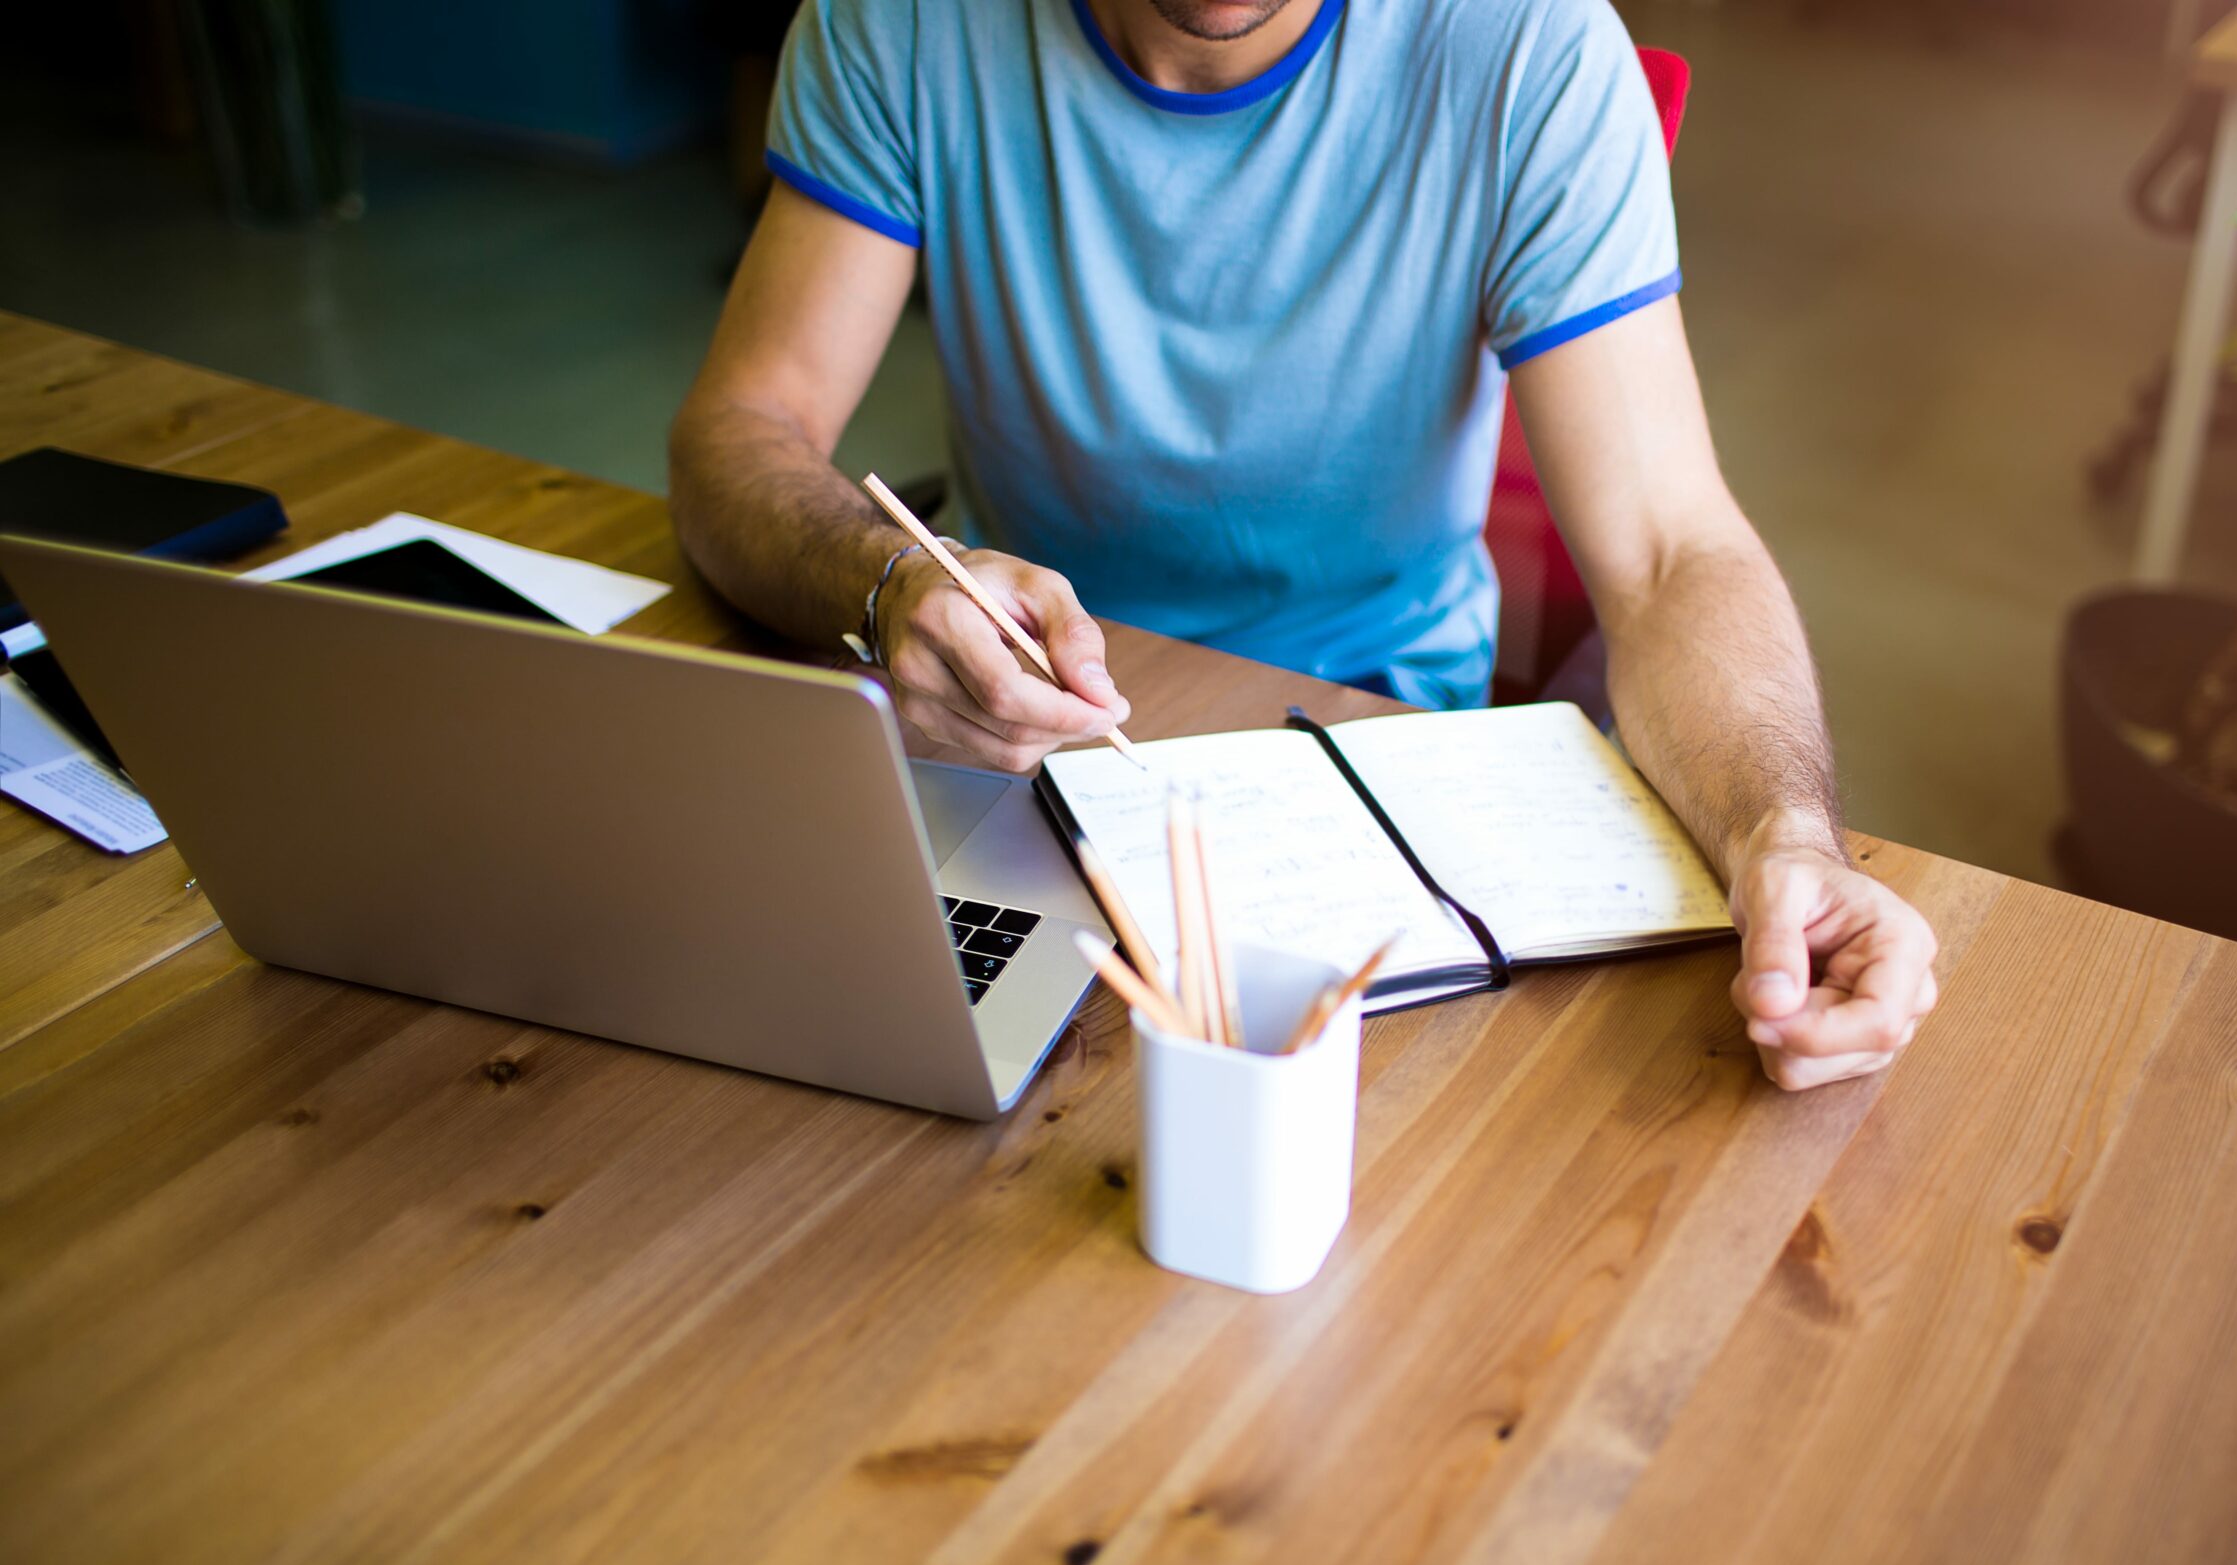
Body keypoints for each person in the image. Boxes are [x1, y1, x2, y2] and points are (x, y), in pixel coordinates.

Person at [668, 0, 1938, 1090]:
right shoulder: (901, 25)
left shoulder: (1529, 51)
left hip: (1371, 746)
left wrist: (1785, 840)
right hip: (1009, 745)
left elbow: (1668, 552)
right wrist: (885, 580)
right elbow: (742, 429)